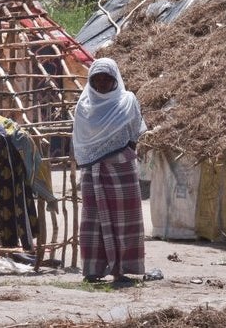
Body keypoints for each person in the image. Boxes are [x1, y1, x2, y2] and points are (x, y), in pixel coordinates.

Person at [73, 58, 147, 284]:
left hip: (121, 170)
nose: (102, 83)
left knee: (124, 221)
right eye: (97, 79)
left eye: (107, 78)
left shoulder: (128, 101)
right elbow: (81, 141)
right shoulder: (83, 106)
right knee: (93, 221)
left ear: (116, 80)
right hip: (93, 173)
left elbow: (134, 135)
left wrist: (117, 156)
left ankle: (122, 269)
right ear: (90, 81)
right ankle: (93, 270)